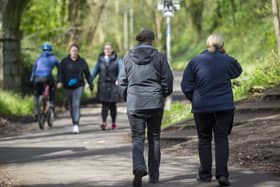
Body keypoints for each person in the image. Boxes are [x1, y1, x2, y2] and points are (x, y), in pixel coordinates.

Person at [181, 34, 242, 186]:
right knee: (221, 139)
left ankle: (205, 174)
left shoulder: (195, 61)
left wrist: (194, 98)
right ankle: (222, 175)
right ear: (222, 46)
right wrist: (224, 55)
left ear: (206, 44)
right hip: (224, 106)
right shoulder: (227, 60)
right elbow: (237, 71)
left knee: (204, 139)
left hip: (202, 107)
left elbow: (186, 85)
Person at [118, 29, 173, 187]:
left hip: (135, 103)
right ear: (152, 40)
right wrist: (163, 94)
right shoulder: (159, 56)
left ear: (139, 41)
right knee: (154, 138)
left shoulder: (128, 56)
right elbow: (167, 79)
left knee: (137, 138)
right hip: (155, 102)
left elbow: (122, 81)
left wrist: (128, 97)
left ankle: (139, 167)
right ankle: (154, 176)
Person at [57, 44, 93, 134]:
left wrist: (90, 83)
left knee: (76, 104)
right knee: (71, 105)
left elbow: (87, 74)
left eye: (76, 50)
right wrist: (60, 81)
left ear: (78, 52)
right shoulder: (64, 62)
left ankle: (76, 124)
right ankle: (74, 123)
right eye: (72, 50)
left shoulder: (82, 61)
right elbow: (60, 73)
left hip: (79, 86)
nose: (74, 52)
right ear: (70, 51)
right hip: (67, 86)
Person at [91, 43, 122, 130]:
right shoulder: (100, 60)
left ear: (112, 50)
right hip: (103, 84)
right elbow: (95, 71)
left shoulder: (117, 59)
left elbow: (121, 70)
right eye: (106, 49)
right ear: (104, 50)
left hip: (113, 85)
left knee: (112, 105)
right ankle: (104, 122)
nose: (107, 50)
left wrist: (118, 79)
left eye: (109, 49)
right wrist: (89, 81)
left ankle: (113, 122)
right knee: (104, 104)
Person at [30, 43, 59, 120]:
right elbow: (60, 69)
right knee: (52, 88)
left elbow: (34, 69)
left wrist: (32, 78)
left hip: (37, 77)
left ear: (42, 50)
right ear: (51, 50)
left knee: (36, 94)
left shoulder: (38, 58)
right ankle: (51, 103)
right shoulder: (54, 58)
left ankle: (36, 111)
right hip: (48, 77)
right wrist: (60, 79)